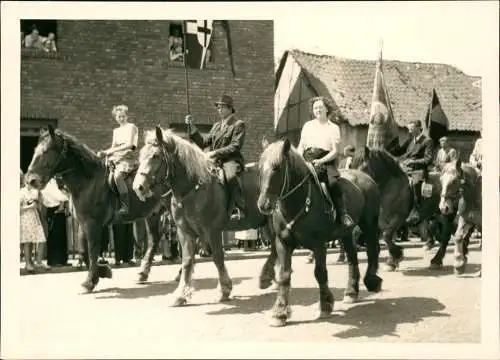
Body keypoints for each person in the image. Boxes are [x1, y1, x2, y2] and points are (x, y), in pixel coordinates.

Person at [185, 94, 246, 220]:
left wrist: (214, 153)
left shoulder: (238, 124)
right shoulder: (217, 126)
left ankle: (237, 207)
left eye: (222, 107)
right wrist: (191, 126)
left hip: (230, 160)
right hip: (215, 161)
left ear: (230, 108)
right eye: (218, 107)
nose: (219, 109)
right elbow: (203, 143)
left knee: (230, 176)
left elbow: (235, 146)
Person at [296, 96, 354, 229]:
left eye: (320, 107)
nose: (317, 110)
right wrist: (300, 159)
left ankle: (343, 214)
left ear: (326, 109)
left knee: (333, 184)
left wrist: (321, 160)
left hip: (326, 160)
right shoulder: (307, 126)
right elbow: (301, 146)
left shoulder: (333, 127)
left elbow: (334, 151)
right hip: (307, 158)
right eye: (315, 108)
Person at [97, 104, 139, 215]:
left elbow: (130, 145)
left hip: (129, 156)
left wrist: (112, 152)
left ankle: (125, 205)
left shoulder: (132, 127)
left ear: (127, 116)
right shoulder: (116, 131)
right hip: (117, 156)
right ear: (116, 118)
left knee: (118, 176)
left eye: (123, 116)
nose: (121, 118)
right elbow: (113, 147)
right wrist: (104, 152)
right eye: (119, 116)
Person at [398, 119, 434, 216]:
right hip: (407, 169)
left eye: (411, 129)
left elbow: (428, 159)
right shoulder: (410, 141)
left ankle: (417, 211)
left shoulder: (427, 141)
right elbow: (404, 154)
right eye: (408, 129)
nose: (409, 131)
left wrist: (413, 161)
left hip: (418, 170)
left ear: (418, 129)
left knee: (415, 184)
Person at [20, 170, 49, 272]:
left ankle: (38, 261)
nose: (30, 185)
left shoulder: (35, 191)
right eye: (29, 182)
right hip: (25, 218)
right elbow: (17, 209)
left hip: (35, 218)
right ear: (25, 182)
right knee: (28, 241)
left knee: (41, 239)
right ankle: (28, 263)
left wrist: (39, 198)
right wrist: (29, 207)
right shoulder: (21, 192)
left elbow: (41, 204)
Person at [41, 178, 69, 267]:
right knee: (55, 235)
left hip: (58, 210)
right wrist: (65, 197)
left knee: (61, 235)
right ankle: (55, 260)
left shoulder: (53, 181)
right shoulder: (49, 182)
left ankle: (62, 259)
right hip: (53, 209)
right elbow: (60, 196)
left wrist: (64, 198)